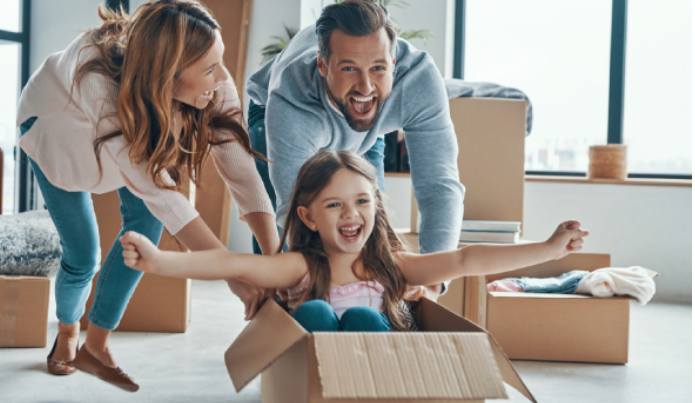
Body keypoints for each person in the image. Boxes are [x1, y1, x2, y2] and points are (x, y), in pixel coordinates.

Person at [16, 0, 280, 392]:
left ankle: (98, 346)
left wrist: (273, 263)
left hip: (125, 141)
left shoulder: (211, 85)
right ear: (169, 76)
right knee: (82, 256)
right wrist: (235, 275)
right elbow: (165, 195)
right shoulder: (98, 85)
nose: (224, 78)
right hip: (57, 139)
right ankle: (68, 330)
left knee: (145, 231)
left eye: (220, 61)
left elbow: (241, 169)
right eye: (210, 69)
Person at [119, 151, 589, 332]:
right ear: (307, 216)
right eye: (334, 205)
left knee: (365, 314)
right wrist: (161, 262)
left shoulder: (393, 267)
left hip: (375, 380)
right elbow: (234, 265)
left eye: (362, 202)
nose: (351, 215)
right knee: (316, 311)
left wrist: (548, 250)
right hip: (312, 381)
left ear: (376, 207)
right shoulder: (301, 265)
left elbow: (467, 258)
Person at [246, 0, 466, 301]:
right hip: (275, 113)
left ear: (393, 63)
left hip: (366, 124)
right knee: (282, 257)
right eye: (349, 68)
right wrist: (314, 288)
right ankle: (274, 316)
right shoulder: (291, 96)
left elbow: (439, 186)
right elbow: (295, 210)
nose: (365, 85)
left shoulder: (418, 81)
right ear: (323, 65)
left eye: (378, 68)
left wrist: (432, 282)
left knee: (371, 227)